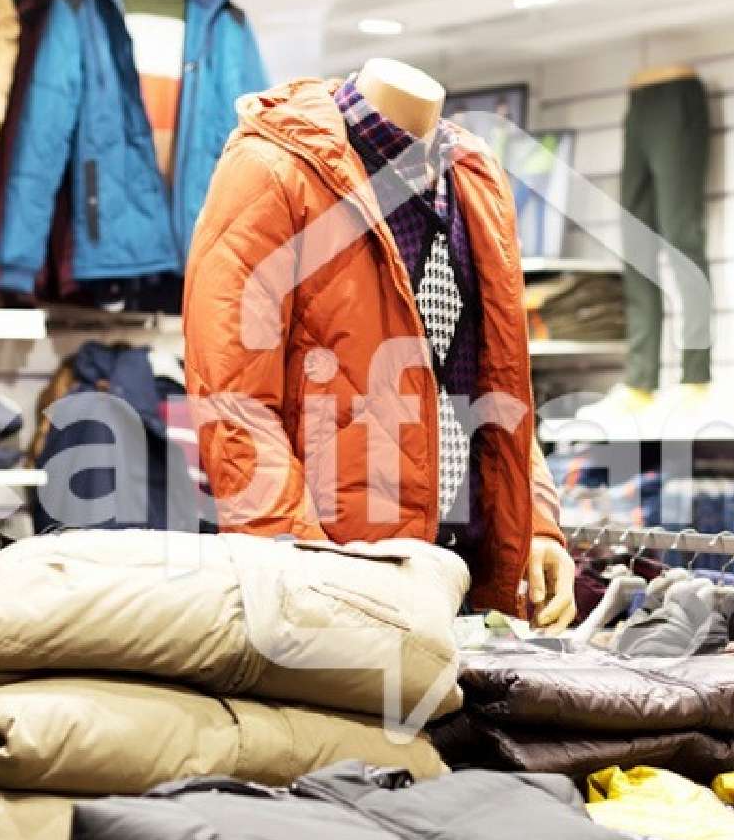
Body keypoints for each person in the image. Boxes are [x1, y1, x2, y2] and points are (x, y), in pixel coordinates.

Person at [183, 63, 576, 629]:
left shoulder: (475, 178)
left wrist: (536, 524)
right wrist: (304, 571)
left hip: (462, 582)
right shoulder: (274, 170)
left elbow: (496, 387)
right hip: (337, 582)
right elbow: (235, 405)